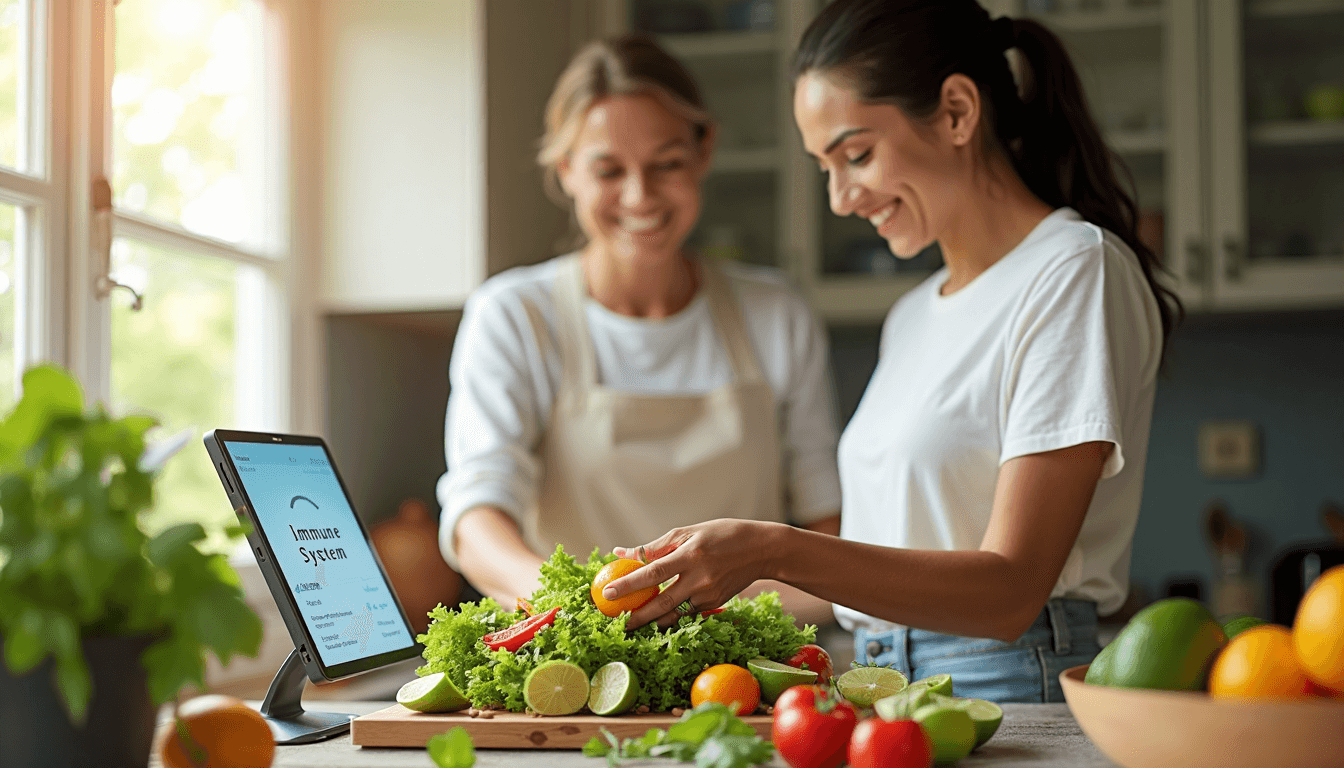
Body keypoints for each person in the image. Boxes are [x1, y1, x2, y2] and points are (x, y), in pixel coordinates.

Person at [601, 0, 1183, 703]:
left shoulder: (1073, 270)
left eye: (857, 154)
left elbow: (1011, 590)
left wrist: (773, 549)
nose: (842, 198)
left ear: (959, 112)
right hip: (873, 679)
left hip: (1002, 679)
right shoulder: (913, 314)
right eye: (825, 167)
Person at [436, 35, 842, 627]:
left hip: (743, 658)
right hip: (583, 664)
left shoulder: (776, 313)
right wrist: (576, 611)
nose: (639, 196)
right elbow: (476, 517)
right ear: (566, 171)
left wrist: (730, 611)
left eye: (666, 164)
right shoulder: (516, 316)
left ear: (704, 153)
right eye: (608, 170)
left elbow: (827, 522)